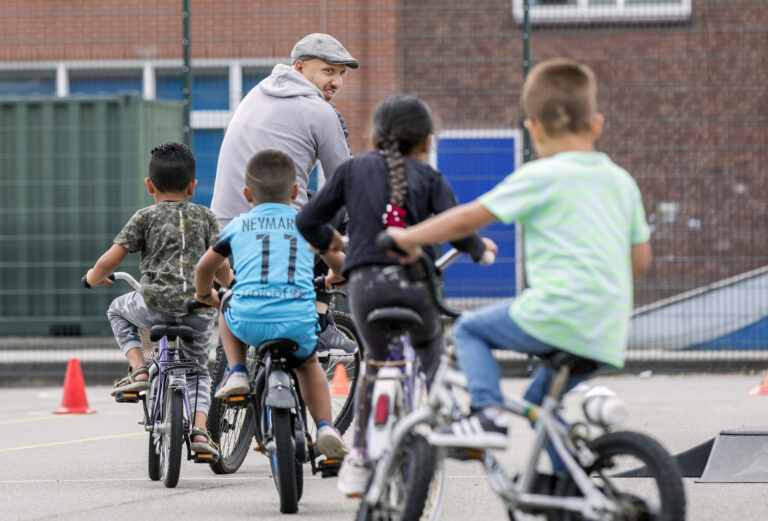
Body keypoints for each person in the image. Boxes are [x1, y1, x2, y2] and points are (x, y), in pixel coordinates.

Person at [383, 58, 653, 478]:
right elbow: (640, 261)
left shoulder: (540, 175)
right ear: (597, 124)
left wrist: (409, 237)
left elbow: (468, 218)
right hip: (607, 327)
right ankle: (574, 486)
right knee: (537, 403)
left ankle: (488, 414)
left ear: (534, 129)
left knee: (470, 330)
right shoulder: (621, 182)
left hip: (557, 314)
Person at [296, 95, 495, 496]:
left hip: (366, 288)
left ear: (372, 137)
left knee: (376, 362)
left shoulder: (352, 170)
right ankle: (449, 419)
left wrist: (336, 247)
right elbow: (458, 227)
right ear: (427, 142)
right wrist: (480, 250)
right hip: (416, 288)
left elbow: (307, 220)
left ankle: (362, 458)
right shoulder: (431, 179)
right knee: (429, 350)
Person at [210, 32, 360, 356]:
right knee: (343, 210)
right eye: (329, 71)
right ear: (300, 67)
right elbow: (346, 182)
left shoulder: (255, 94)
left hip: (226, 226)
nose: (336, 81)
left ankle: (233, 375)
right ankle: (320, 317)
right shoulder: (320, 111)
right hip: (281, 225)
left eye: (341, 74)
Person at [194, 148, 348, 459]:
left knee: (227, 302)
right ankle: (326, 428)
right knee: (307, 364)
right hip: (298, 321)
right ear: (295, 191)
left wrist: (203, 295)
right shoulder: (308, 224)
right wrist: (334, 277)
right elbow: (340, 263)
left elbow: (204, 269)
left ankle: (236, 370)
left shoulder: (237, 226)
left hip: (249, 320)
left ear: (246, 194)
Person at [86, 142, 231, 457]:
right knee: (198, 371)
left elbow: (109, 262)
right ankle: (200, 432)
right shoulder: (206, 217)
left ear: (149, 185)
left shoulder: (144, 217)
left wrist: (94, 278)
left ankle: (138, 370)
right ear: (193, 187)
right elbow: (220, 268)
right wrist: (231, 285)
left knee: (117, 310)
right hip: (198, 309)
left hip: (153, 305)